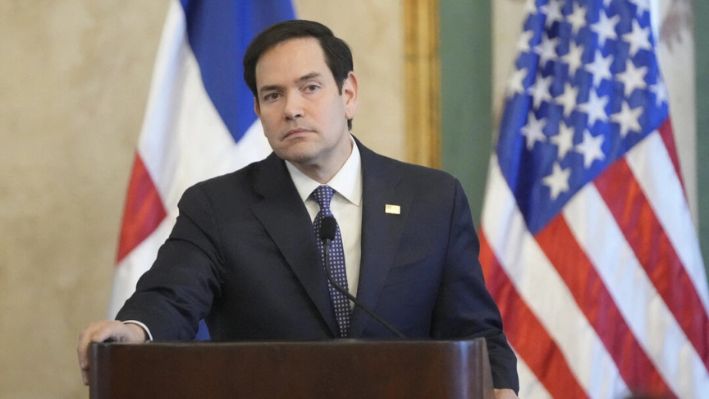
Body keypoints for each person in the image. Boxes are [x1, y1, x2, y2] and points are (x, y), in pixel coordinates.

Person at [77, 20, 519, 398]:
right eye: (272, 95)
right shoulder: (217, 206)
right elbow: (171, 297)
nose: (291, 109)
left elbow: (474, 328)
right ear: (258, 110)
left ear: (348, 94)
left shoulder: (433, 199)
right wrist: (135, 330)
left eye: (310, 87)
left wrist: (500, 387)